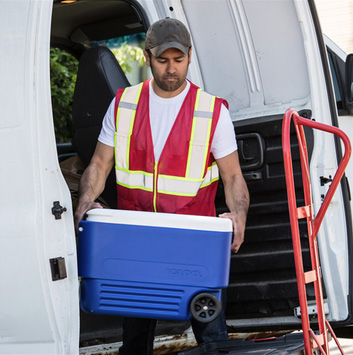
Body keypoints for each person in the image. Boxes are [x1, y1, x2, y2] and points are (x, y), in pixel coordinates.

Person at [74, 17, 249, 355]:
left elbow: (232, 176)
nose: (171, 69)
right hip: (138, 240)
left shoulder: (212, 111)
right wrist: (85, 201)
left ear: (189, 56)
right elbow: (99, 163)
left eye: (179, 60)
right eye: (163, 60)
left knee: (211, 336)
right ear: (147, 56)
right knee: (136, 339)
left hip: (194, 243)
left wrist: (238, 215)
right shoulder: (123, 104)